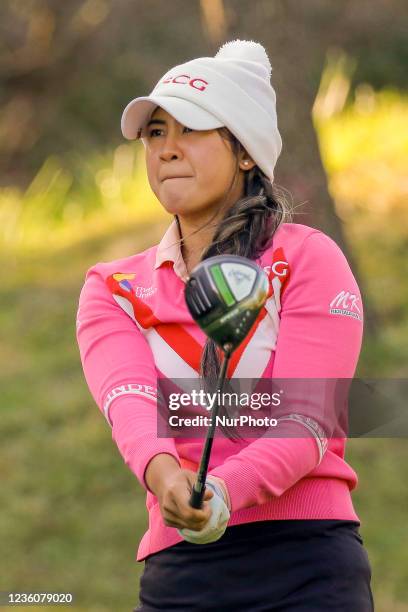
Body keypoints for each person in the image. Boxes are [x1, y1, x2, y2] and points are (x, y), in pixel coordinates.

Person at [76, 40, 374, 611]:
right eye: (155, 133)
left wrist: (221, 490)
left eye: (189, 129)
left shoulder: (307, 259)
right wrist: (170, 483)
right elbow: (132, 406)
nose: (166, 149)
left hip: (307, 563)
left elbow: (307, 420)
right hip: (180, 573)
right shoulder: (112, 288)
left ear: (243, 152)